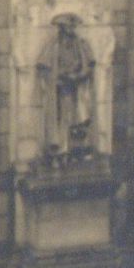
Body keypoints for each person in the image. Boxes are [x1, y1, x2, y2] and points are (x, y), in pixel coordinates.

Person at [36, 13, 96, 163]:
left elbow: (89, 65)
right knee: (62, 120)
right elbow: (43, 67)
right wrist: (58, 78)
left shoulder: (81, 44)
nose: (72, 29)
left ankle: (78, 150)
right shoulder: (53, 46)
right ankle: (60, 151)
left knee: (80, 119)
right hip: (61, 88)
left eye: (73, 26)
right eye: (69, 26)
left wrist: (80, 75)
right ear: (62, 28)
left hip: (78, 86)